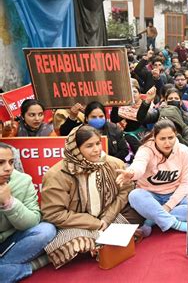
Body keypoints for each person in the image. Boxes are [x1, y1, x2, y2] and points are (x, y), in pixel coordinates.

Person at [41, 125, 142, 268]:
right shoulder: (57, 175)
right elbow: (54, 213)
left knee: (138, 209)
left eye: (97, 143)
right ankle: (102, 242)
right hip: (78, 225)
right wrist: (95, 223)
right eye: (89, 146)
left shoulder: (113, 163)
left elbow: (124, 191)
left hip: (109, 218)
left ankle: (101, 242)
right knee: (74, 244)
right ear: (75, 148)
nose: (96, 149)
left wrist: (106, 219)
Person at [116, 120, 188, 236]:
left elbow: (185, 183)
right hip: (151, 196)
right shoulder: (146, 150)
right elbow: (139, 164)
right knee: (134, 196)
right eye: (162, 139)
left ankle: (151, 220)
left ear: (176, 135)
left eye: (170, 138)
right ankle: (175, 224)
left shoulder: (183, 151)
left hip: (175, 194)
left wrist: (168, 206)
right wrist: (131, 173)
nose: (167, 143)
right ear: (154, 137)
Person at [0, 143, 56, 282]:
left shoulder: (23, 181)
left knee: (47, 229)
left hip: (12, 240)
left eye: (11, 162)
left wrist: (9, 202)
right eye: (1, 163)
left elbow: (33, 220)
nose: (8, 168)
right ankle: (32, 265)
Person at [59, 101, 129, 162]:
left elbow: (124, 150)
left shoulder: (114, 129)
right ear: (86, 118)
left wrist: (107, 161)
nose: (98, 119)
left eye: (101, 116)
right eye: (94, 117)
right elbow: (64, 133)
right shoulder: (80, 130)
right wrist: (72, 117)